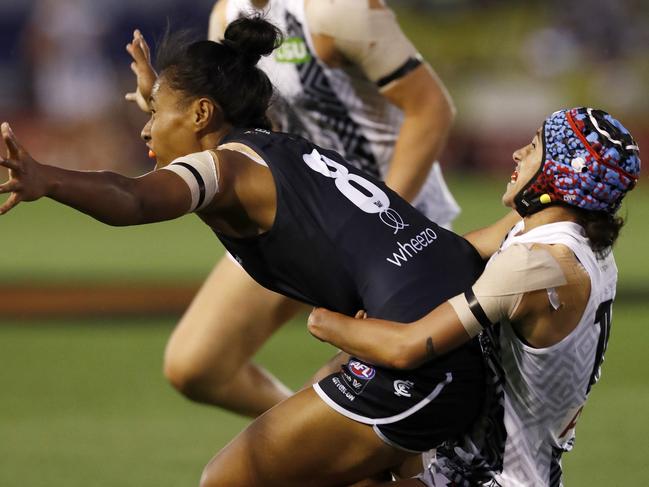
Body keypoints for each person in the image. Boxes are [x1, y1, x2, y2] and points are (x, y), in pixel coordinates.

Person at [1, 17, 488, 486]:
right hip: (450, 329)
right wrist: (160, 92)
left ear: (201, 114)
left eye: (155, 115)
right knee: (339, 467)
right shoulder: (277, 145)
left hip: (421, 359)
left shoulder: (225, 171)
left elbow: (133, 198)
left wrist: (50, 179)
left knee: (229, 480)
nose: (146, 131)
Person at [125, 0, 460, 417]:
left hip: (385, 223)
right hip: (294, 209)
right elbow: (225, 116)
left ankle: (323, 442)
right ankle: (309, 439)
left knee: (384, 408)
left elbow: (430, 109)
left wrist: (380, 219)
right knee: (196, 364)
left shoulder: (336, 10)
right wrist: (160, 102)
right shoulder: (227, 14)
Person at [308, 107, 641, 486]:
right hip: (485, 463)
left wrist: (324, 320)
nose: (517, 154)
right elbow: (452, 256)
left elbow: (407, 347)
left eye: (534, 147)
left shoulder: (536, 265)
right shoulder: (570, 238)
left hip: (490, 478)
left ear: (562, 173)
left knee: (315, 462)